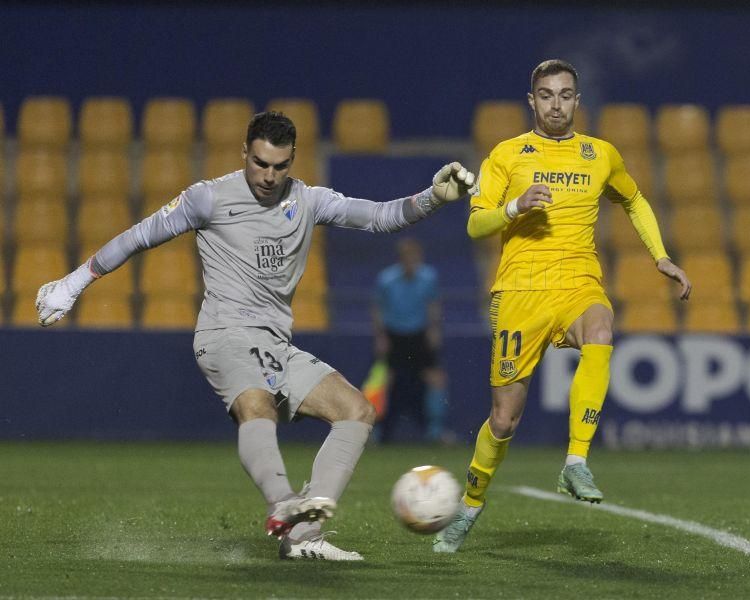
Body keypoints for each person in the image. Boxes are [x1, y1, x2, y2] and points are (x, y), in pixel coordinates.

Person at [35, 111, 475, 561]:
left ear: (293, 161)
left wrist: (434, 198)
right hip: (224, 333)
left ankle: (304, 539)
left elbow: (381, 217)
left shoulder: (310, 200)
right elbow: (137, 237)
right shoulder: (207, 198)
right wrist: (73, 284)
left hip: (275, 343)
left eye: (279, 166)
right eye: (260, 163)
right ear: (245, 152)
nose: (268, 175)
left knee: (356, 411)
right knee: (256, 403)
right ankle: (282, 501)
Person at [433, 60, 691, 553]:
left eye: (566, 95)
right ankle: (470, 505)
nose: (556, 104)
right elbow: (475, 224)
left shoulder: (600, 154)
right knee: (505, 418)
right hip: (520, 292)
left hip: (578, 282)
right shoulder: (506, 155)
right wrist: (514, 206)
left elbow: (634, 201)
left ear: (578, 100)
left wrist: (661, 257)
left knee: (601, 331)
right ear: (532, 101)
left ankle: (576, 461)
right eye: (547, 95)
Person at [372, 238, 450, 443]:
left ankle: (436, 430)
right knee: (384, 381)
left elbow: (433, 305)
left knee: (435, 378)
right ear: (400, 259)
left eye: (414, 257)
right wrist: (381, 336)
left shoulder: (428, 277)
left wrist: (434, 330)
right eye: (407, 257)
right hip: (394, 334)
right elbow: (378, 309)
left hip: (419, 334)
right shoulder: (386, 279)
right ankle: (377, 428)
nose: (410, 261)